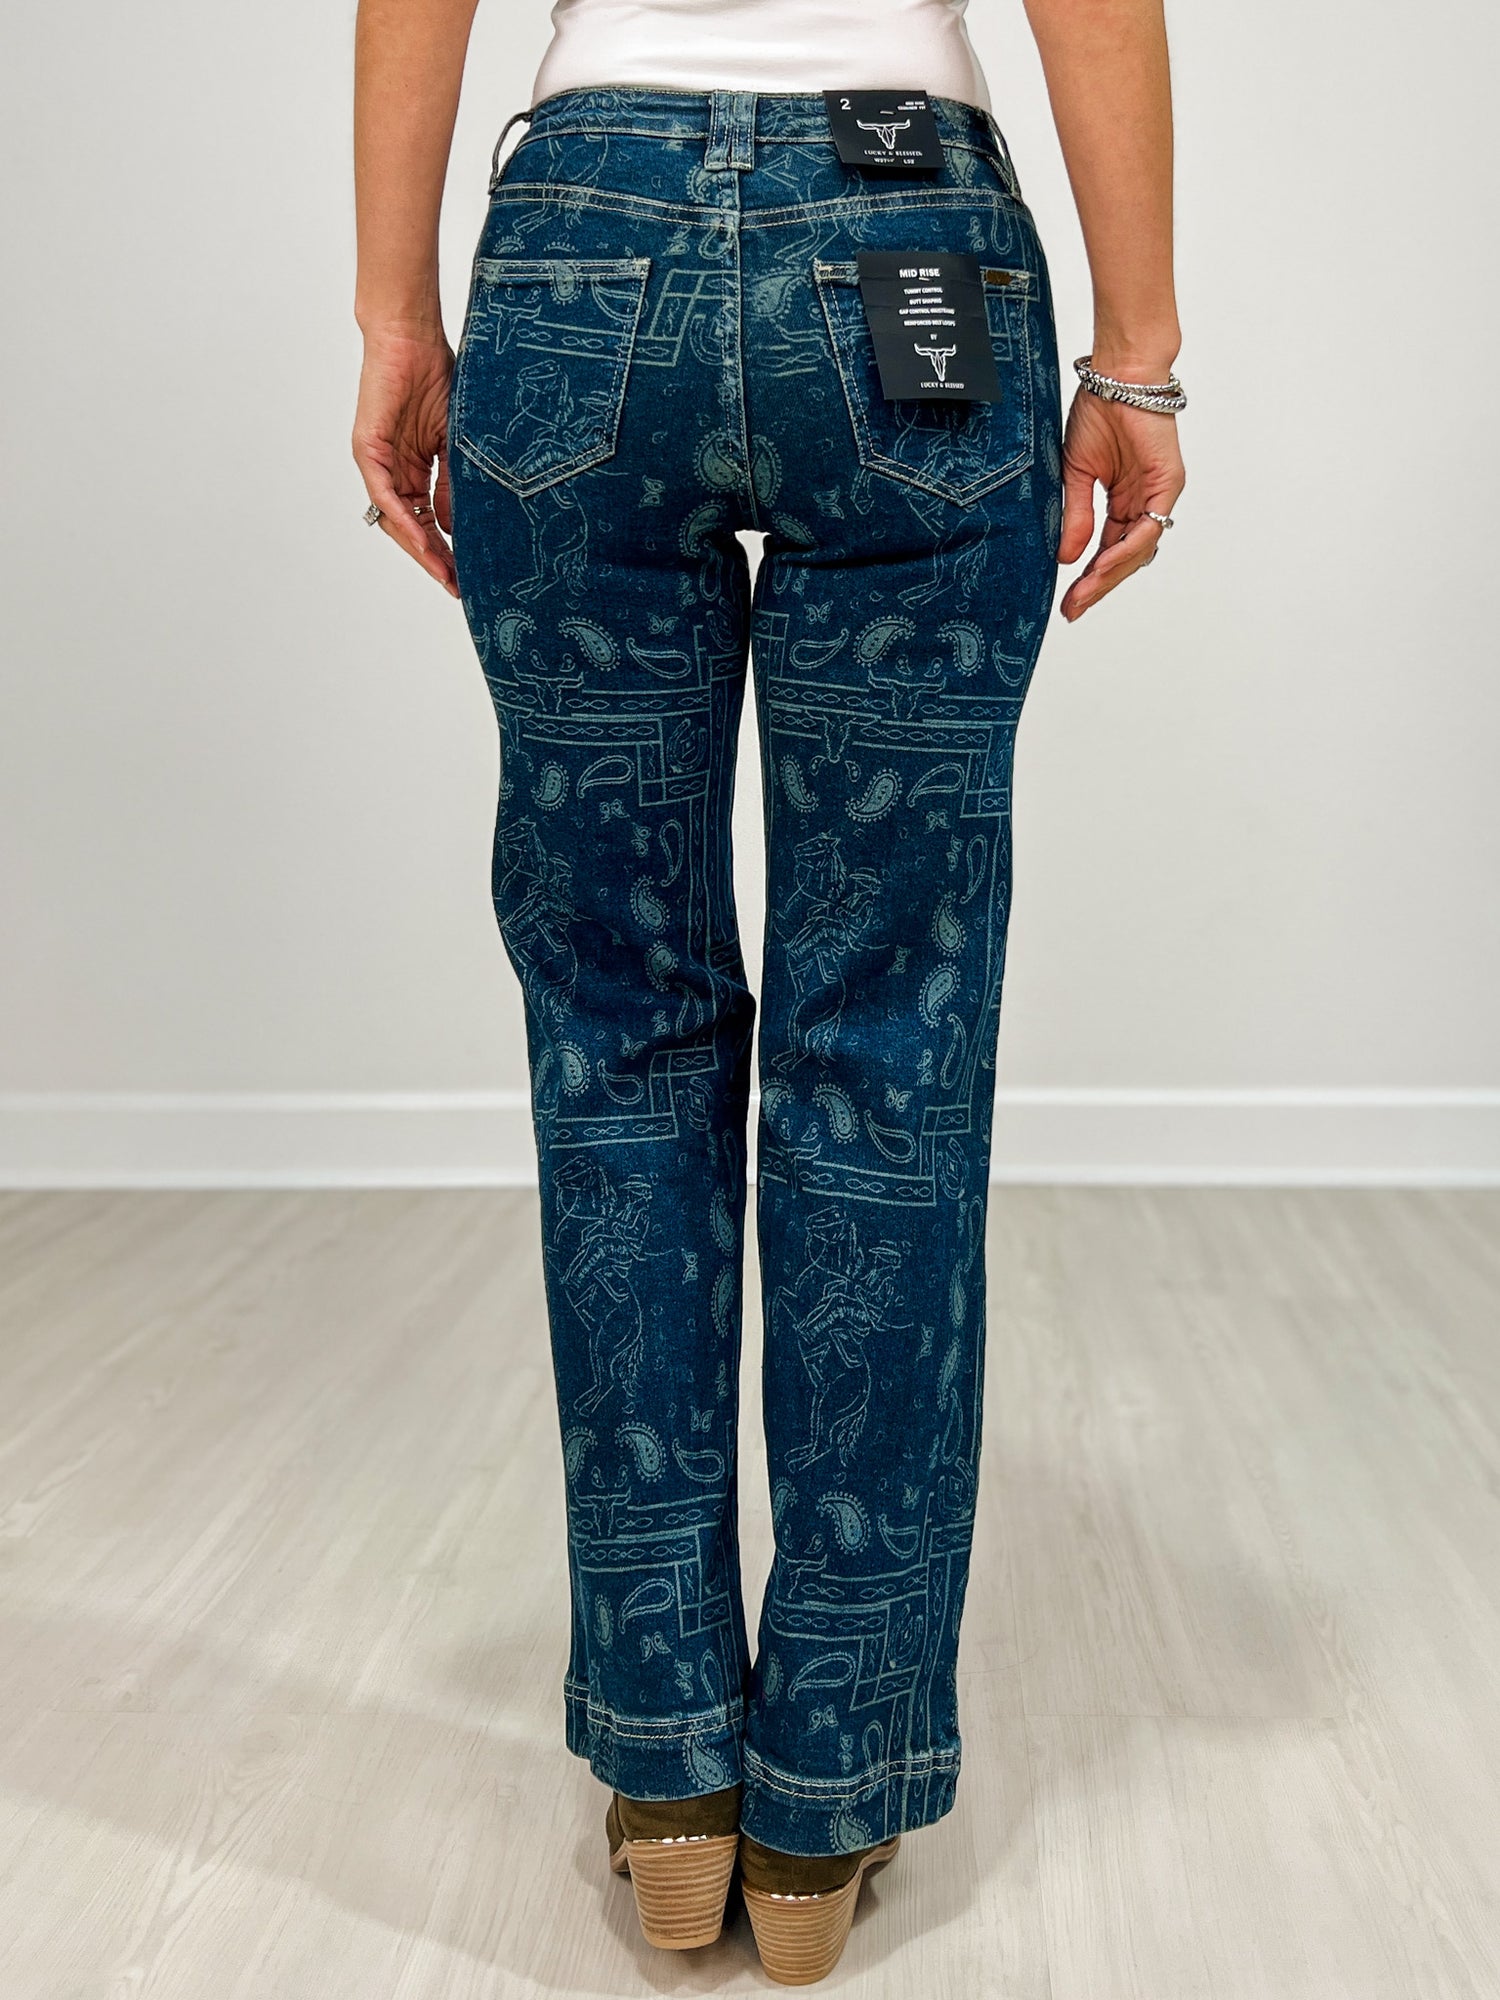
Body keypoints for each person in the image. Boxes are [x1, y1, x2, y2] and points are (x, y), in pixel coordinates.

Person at [352, 0, 1185, 1980]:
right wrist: (1138, 360)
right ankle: (825, 1791)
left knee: (618, 1032)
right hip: (910, 249)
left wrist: (396, 314)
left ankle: (666, 1777)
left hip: (580, 251)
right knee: (887, 1036)